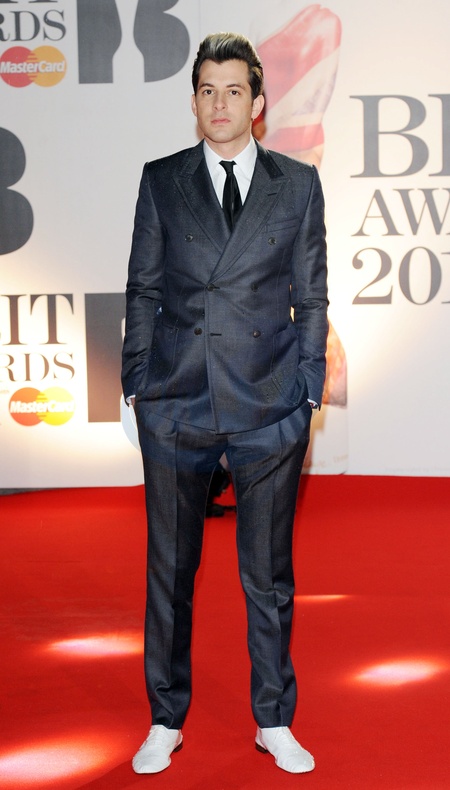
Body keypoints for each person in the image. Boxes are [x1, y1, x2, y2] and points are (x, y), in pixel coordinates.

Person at [121, 31, 328, 776]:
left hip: (269, 405)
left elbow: (312, 293)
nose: (220, 104)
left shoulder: (296, 184)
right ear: (194, 101)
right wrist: (137, 385)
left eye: (234, 90)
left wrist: (308, 390)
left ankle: (274, 718)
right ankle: (164, 718)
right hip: (177, 402)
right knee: (170, 575)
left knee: (267, 577)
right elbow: (143, 286)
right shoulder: (163, 179)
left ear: (258, 102)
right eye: (207, 90)